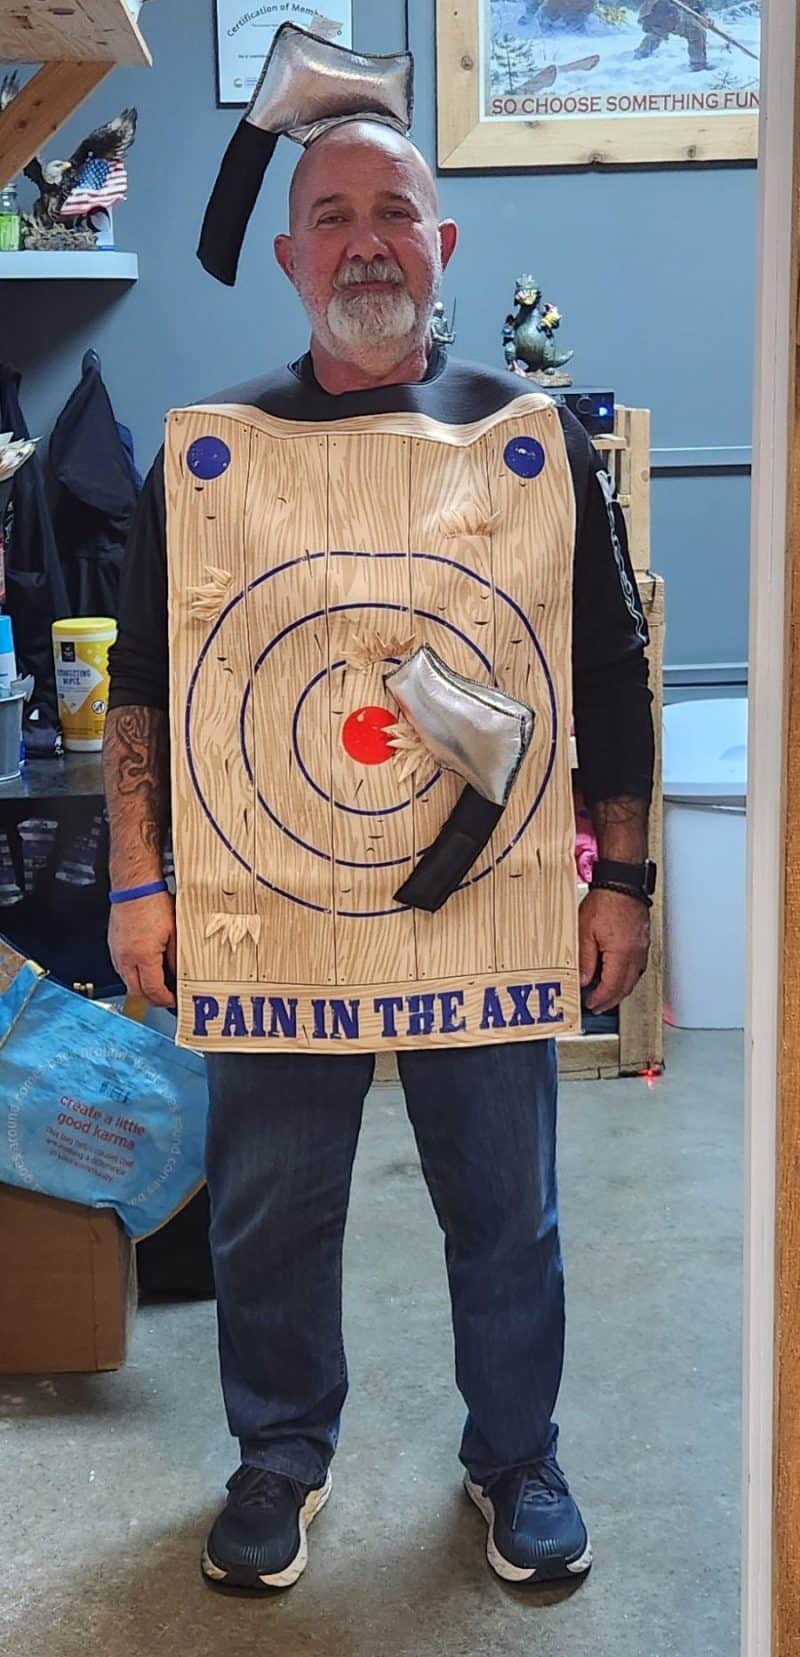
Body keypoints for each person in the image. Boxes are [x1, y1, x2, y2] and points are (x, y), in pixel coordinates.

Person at [104, 118, 654, 1594]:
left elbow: (607, 674)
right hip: (273, 898)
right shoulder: (212, 452)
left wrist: (624, 878)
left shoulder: (529, 440)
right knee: (271, 1204)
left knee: (506, 1203)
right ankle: (280, 1453)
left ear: (441, 244)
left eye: (395, 213)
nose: (366, 244)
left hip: (486, 896)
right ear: (290, 256)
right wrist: (139, 880)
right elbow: (145, 682)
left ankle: (516, 1453)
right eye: (334, 216)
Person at [635, 0, 709, 71]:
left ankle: (698, 63)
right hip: (660, 10)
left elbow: (695, 4)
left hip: (675, 12)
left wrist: (703, 15)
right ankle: (641, 55)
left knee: (696, 31)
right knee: (657, 31)